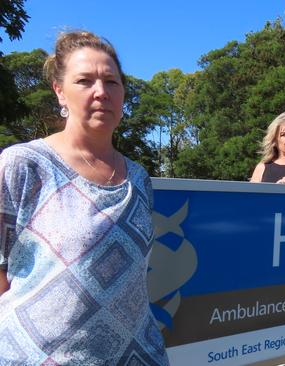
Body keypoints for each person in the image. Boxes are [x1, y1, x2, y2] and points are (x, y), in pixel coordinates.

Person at [0, 31, 169, 365]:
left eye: (111, 81)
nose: (101, 92)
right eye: (84, 81)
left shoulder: (138, 177)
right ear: (59, 92)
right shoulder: (23, 164)